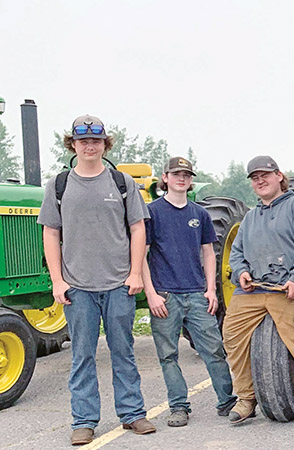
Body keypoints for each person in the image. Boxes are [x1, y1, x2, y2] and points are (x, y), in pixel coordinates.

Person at [38, 115, 155, 445]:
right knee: (82, 356)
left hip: (118, 283)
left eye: (97, 141)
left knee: (123, 351)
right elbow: (51, 233)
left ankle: (133, 414)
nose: (90, 146)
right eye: (83, 141)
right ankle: (84, 420)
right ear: (72, 145)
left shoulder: (122, 183)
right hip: (77, 288)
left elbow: (138, 229)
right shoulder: (59, 185)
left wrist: (134, 274)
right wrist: (57, 281)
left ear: (105, 145)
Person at [221, 156, 294, 426]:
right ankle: (247, 398)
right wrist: (241, 273)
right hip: (254, 290)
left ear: (279, 176)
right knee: (232, 336)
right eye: (255, 178)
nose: (260, 181)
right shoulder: (250, 217)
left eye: (265, 175)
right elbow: (236, 253)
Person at [141, 156, 237, 427]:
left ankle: (226, 400)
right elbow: (141, 256)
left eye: (186, 174)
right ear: (166, 178)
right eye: (176, 174)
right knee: (168, 355)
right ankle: (179, 406)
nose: (181, 178)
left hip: (197, 294)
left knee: (215, 349)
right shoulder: (152, 213)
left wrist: (211, 290)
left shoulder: (199, 214)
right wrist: (151, 293)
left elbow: (208, 252)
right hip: (165, 296)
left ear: (190, 180)